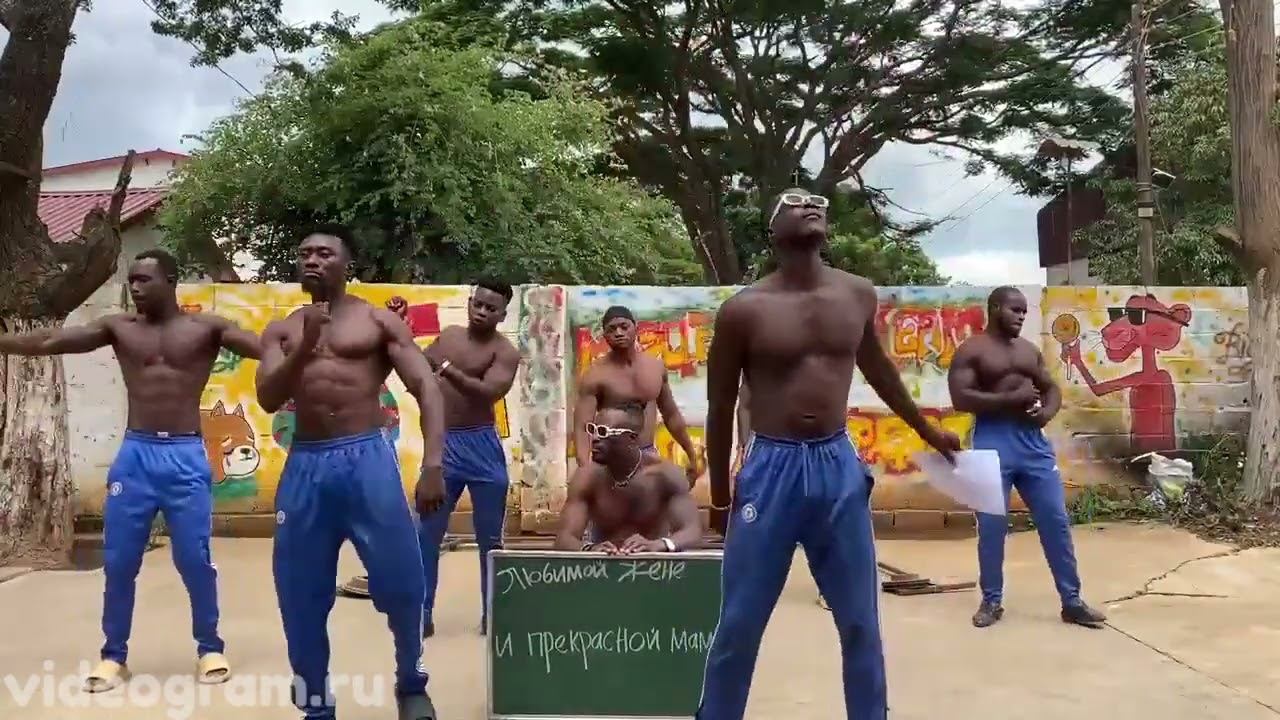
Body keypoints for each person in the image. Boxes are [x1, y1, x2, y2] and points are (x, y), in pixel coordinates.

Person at [697, 188, 962, 720]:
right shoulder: (743, 310)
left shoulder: (856, 294)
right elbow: (720, 406)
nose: (811, 205)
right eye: (794, 201)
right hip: (770, 468)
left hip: (837, 464)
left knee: (860, 620)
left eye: (817, 200)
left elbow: (880, 369)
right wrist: (721, 500)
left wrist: (928, 432)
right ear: (772, 229)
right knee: (740, 622)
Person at [0, 249, 260, 693]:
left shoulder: (208, 329)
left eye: (144, 280)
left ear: (171, 280)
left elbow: (267, 348)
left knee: (194, 560)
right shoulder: (119, 328)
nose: (135, 287)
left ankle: (210, 647)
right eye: (132, 280)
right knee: (120, 562)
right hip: (136, 456)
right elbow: (48, 341)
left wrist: (309, 344)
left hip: (185, 456)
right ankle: (113, 656)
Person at [255, 225, 447, 720]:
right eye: (305, 252)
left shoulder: (377, 322)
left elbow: (426, 387)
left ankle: (411, 684)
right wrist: (305, 346)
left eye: (324, 253)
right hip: (306, 465)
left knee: (403, 584)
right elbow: (269, 397)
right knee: (299, 593)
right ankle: (316, 705)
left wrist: (433, 463)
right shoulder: (282, 331)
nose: (312, 260)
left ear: (346, 264)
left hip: (367, 460)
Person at [947, 286, 1107, 629]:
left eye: (1024, 311)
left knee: (1055, 520)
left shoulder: (1028, 351)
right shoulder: (973, 350)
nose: (1021, 316)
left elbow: (1051, 389)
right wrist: (1010, 399)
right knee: (992, 526)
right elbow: (960, 397)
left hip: (1032, 444)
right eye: (1014, 310)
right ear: (995, 308)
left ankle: (1072, 602)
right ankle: (992, 601)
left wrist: (1045, 414)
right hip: (992, 440)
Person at [415, 280, 521, 637]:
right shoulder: (449, 336)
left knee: (490, 539)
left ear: (502, 315)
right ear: (470, 303)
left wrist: (445, 368)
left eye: (491, 308)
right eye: (478, 304)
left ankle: (494, 615)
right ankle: (422, 613)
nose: (482, 312)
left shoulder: (505, 352)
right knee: (426, 532)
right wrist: (402, 329)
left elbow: (488, 393)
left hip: (482, 445)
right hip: (445, 444)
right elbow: (420, 367)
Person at [574, 305, 702, 485]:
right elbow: (582, 427)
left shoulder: (655, 368)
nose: (618, 333)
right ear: (605, 336)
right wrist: (585, 470)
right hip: (611, 462)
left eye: (624, 326)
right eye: (612, 329)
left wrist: (691, 454)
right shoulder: (595, 375)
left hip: (647, 455)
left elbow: (671, 415)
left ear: (636, 328)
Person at [556, 402, 704, 553]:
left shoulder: (664, 475)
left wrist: (658, 544)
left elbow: (692, 531)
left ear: (632, 437)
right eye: (592, 429)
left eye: (603, 432)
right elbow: (564, 538)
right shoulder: (587, 477)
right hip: (602, 563)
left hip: (652, 564)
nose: (594, 438)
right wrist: (590, 548)